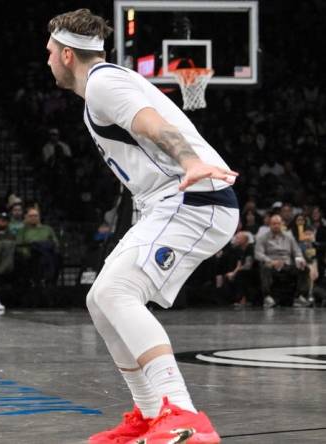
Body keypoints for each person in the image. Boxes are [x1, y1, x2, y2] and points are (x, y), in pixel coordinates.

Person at [45, 9, 239, 443]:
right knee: (100, 299)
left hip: (193, 197)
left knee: (117, 292)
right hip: (168, 202)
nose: (47, 59)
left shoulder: (102, 83)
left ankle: (183, 415)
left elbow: (154, 125)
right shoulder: (104, 82)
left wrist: (190, 162)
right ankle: (151, 416)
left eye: (49, 52)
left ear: (67, 55)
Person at [254, 214, 309, 308]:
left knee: (304, 268)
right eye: (274, 224)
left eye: (278, 223)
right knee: (265, 267)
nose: (276, 226)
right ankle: (267, 297)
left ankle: (299, 297)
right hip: (272, 264)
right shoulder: (263, 238)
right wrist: (270, 261)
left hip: (287, 264)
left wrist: (301, 259)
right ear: (270, 225)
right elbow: (258, 254)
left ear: (282, 224)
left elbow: (297, 251)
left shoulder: (289, 237)